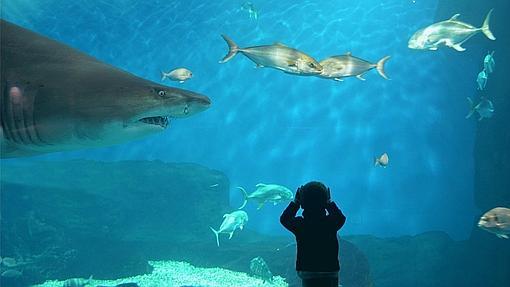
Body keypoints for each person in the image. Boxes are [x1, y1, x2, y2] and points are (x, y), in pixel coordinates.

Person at [280, 181, 346, 287]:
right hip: (330, 270)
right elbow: (341, 218)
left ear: (302, 203)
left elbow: (285, 219)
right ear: (325, 202)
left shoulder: (301, 225)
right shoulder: (330, 223)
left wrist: (296, 202)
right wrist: (329, 202)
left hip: (307, 271)